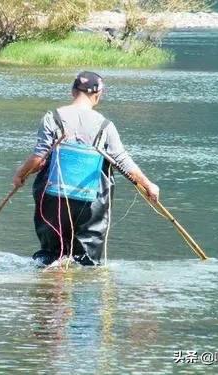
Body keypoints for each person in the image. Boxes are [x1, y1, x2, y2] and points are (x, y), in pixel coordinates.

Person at [12, 71, 159, 266]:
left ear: (73, 91)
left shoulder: (52, 117)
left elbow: (39, 159)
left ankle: (50, 290)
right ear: (98, 95)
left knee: (50, 257)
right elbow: (123, 161)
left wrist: (20, 174)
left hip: (52, 198)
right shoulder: (105, 126)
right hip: (91, 201)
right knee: (86, 262)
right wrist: (148, 185)